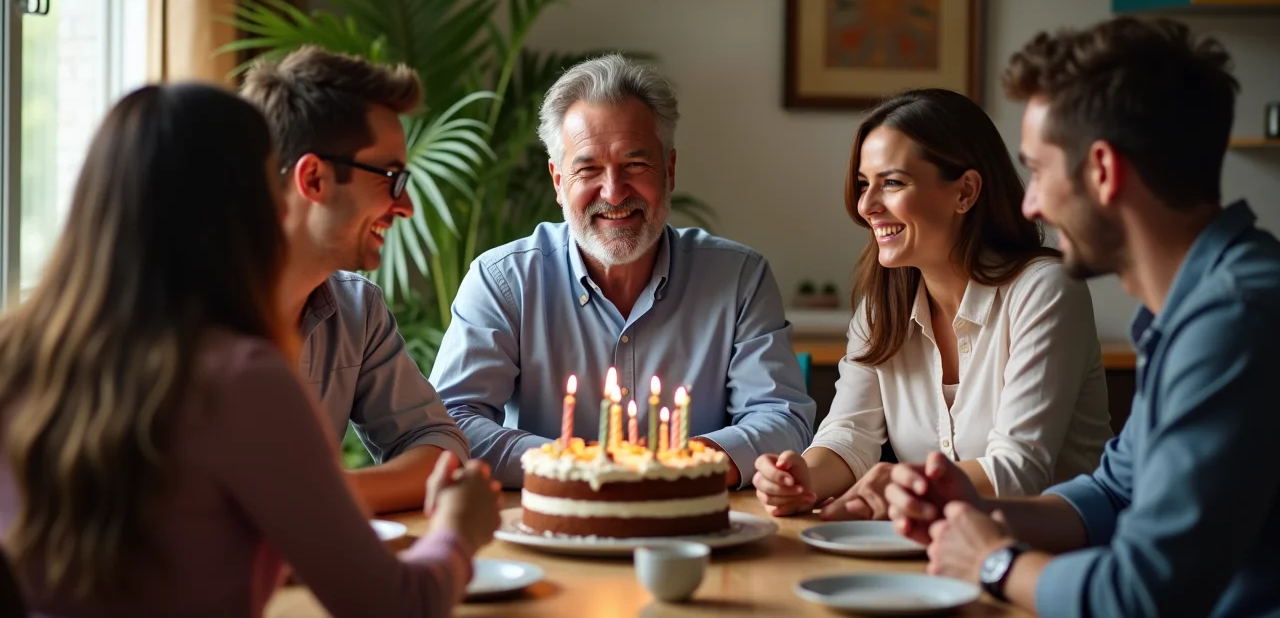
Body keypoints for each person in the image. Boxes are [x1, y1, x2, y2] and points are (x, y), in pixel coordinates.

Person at [0, 84, 501, 617]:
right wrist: (457, 529)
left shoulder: (18, 351)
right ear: (243, 205)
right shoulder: (241, 379)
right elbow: (397, 606)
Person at [884, 18, 1280, 617]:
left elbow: (1146, 594)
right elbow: (1113, 492)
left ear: (1102, 170)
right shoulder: (1196, 306)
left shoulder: (1235, 320)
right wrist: (971, 510)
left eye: (1038, 171)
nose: (1029, 203)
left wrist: (995, 561)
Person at [430, 54, 816, 488]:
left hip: (694, 531)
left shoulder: (740, 278)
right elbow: (453, 422)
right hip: (549, 530)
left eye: (635, 165)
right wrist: (576, 466)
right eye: (588, 168)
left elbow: (782, 418)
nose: (613, 193)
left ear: (668, 171)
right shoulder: (502, 280)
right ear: (558, 182)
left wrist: (677, 466)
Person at [753, 89, 1111, 520]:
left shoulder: (1046, 290)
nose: (866, 205)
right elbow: (850, 435)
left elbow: (1017, 472)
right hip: (933, 554)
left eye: (892, 182)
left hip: (1052, 558)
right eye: (865, 184)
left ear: (966, 192)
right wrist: (798, 478)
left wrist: (900, 486)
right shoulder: (880, 305)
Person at [240, 47, 467, 513]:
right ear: (315, 179)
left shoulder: (356, 311)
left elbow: (438, 445)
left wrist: (324, 499)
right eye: (391, 178)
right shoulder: (179, 317)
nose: (406, 207)